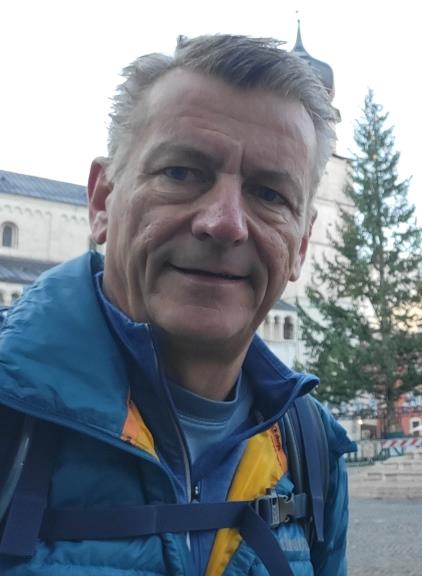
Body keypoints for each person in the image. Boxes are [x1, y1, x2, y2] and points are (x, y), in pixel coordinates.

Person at [0, 36, 354, 575]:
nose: (225, 223)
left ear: (301, 247)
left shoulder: (312, 449)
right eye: (182, 173)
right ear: (102, 201)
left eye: (269, 194)